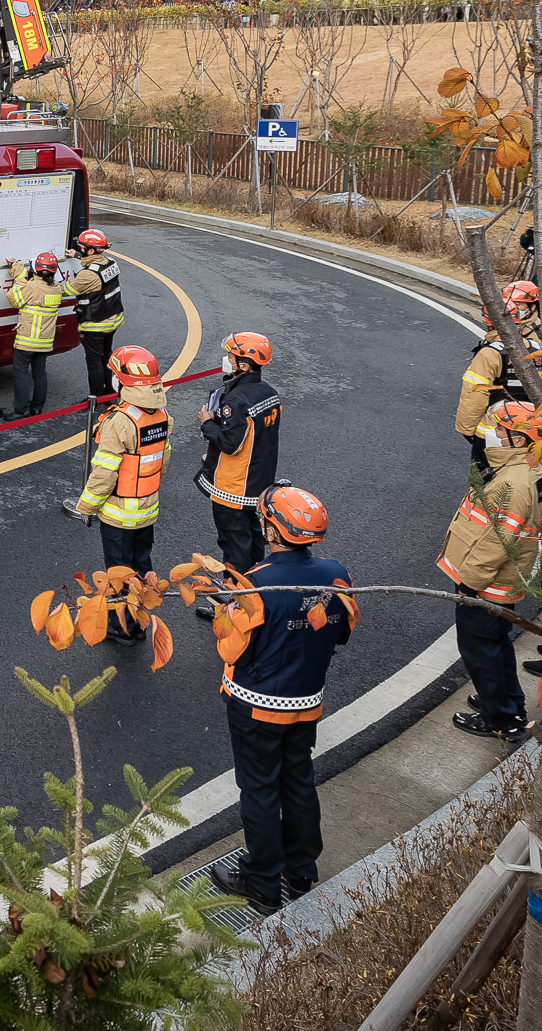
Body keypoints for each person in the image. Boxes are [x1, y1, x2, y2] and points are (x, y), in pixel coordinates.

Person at [205, 485, 357, 917]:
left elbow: (233, 650)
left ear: (272, 529)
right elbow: (341, 632)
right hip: (305, 702)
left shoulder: (255, 583)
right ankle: (301, 868)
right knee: (298, 781)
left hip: (255, 705)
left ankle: (261, 880)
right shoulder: (336, 574)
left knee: (258, 790)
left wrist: (226, 609)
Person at [438, 400, 542, 742]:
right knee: (497, 646)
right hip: (502, 584)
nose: (492, 434)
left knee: (481, 650)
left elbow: (497, 542)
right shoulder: (530, 470)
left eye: (500, 430)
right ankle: (505, 702)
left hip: (487, 586)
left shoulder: (512, 484)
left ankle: (501, 718)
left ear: (519, 440)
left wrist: (469, 585)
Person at [64, 347, 172, 624]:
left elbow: (104, 474)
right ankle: (140, 618)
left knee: (118, 574)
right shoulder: (161, 415)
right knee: (141, 567)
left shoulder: (119, 422)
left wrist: (86, 507)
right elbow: (163, 461)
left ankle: (121, 628)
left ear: (122, 381)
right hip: (147, 510)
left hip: (118, 515)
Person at [194, 331, 283, 610]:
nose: (227, 358)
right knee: (253, 543)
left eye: (231, 355)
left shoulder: (237, 401)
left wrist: (208, 422)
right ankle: (257, 595)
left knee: (233, 546)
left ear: (243, 365)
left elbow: (230, 444)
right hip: (258, 484)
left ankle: (235, 606)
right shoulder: (269, 393)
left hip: (232, 487)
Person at [456, 280, 542, 475]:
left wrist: (467, 429)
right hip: (529, 429)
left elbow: (475, 394)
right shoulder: (538, 348)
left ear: (488, 321)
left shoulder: (490, 354)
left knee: (487, 480)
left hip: (495, 430)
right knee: (525, 476)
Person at [5, 251, 66, 417]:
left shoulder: (30, 286)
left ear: (36, 269)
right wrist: (16, 268)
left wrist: (21, 276)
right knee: (40, 374)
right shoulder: (57, 288)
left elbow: (13, 298)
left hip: (26, 340)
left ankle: (21, 410)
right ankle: (37, 407)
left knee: (21, 374)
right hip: (45, 341)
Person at [65, 230, 124, 400]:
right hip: (113, 320)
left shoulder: (88, 274)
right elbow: (95, 263)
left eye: (82, 247)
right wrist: (77, 255)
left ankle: (95, 397)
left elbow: (68, 289)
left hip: (95, 324)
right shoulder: (111, 262)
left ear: (91, 250)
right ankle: (110, 393)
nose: (80, 249)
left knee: (94, 361)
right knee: (106, 356)